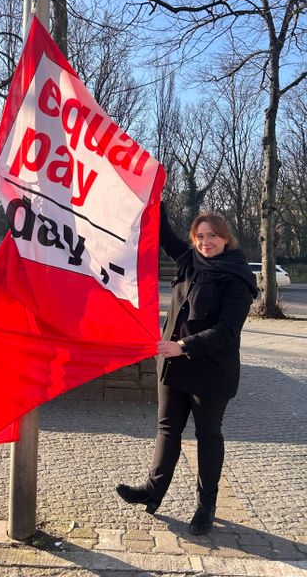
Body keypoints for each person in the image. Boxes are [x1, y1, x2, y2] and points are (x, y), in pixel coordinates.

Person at [116, 203, 257, 535]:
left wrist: (184, 347)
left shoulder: (237, 278)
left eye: (212, 236)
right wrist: (155, 196)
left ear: (225, 239)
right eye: (199, 236)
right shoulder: (189, 260)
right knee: (167, 430)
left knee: (208, 435)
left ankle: (206, 505)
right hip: (173, 364)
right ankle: (153, 490)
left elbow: (227, 330)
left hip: (210, 369)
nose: (205, 242)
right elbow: (163, 234)